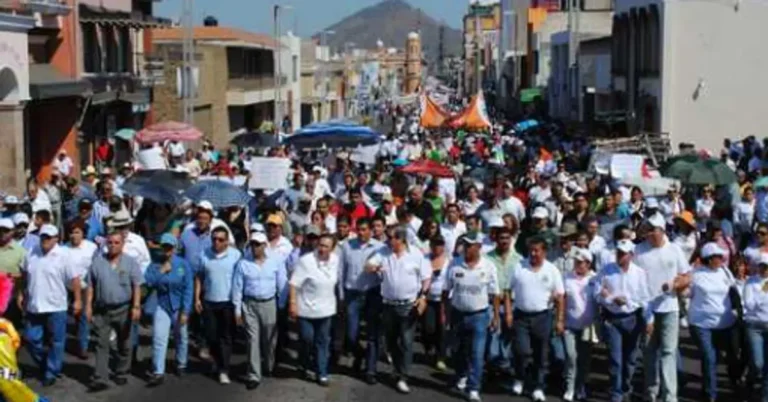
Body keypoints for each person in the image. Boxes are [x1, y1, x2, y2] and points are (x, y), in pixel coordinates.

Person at [633, 213, 691, 402]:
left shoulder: (674, 249)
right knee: (649, 354)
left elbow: (687, 275)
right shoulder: (638, 251)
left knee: (668, 352)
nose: (648, 234)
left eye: (652, 230)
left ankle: (670, 396)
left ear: (661, 231)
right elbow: (633, 280)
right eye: (647, 230)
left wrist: (677, 284)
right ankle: (651, 393)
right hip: (647, 310)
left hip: (670, 308)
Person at [366, 226, 430, 394]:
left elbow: (426, 276)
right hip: (388, 304)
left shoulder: (416, 254)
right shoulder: (384, 252)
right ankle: (397, 368)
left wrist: (423, 296)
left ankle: (404, 377)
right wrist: (373, 268)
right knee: (391, 340)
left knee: (407, 341)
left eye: (391, 237)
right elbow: (369, 265)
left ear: (400, 240)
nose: (388, 240)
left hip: (408, 305)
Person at [19, 224, 80, 386]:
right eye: (43, 237)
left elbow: (75, 279)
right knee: (31, 339)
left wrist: (78, 300)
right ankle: (45, 363)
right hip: (34, 304)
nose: (45, 240)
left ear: (56, 239)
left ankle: (51, 371)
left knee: (56, 341)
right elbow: (24, 275)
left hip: (56, 305)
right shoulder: (31, 252)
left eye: (48, 237)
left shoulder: (64, 254)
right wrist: (21, 293)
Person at [442, 233, 500, 402]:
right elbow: (446, 291)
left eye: (470, 245)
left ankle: (474, 387)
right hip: (458, 314)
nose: (466, 248)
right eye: (465, 245)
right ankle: (461, 375)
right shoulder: (455, 263)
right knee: (458, 350)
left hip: (479, 316)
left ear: (479, 247)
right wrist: (445, 314)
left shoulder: (488, 266)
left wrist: (495, 316)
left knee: (477, 353)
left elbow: (495, 294)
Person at [507, 236, 565, 402]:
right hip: (521, 316)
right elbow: (506, 291)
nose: (533, 253)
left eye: (537, 250)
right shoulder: (519, 267)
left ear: (544, 252)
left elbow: (560, 296)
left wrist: (560, 320)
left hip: (543, 316)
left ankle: (539, 386)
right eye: (531, 250)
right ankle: (519, 378)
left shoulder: (552, 270)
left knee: (541, 354)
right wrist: (510, 313)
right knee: (521, 350)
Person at [86, 231, 144, 392]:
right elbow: (90, 285)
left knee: (124, 343)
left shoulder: (130, 262)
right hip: (102, 309)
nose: (113, 245)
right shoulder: (97, 262)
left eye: (116, 243)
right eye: (110, 242)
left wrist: (136, 306)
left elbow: (137, 285)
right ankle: (100, 377)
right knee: (101, 343)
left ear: (122, 244)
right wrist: (88, 306)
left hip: (124, 308)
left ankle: (121, 371)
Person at [594, 239, 651, 402]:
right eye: (619, 252)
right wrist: (611, 299)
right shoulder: (606, 271)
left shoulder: (639, 273)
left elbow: (645, 298)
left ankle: (626, 387)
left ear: (631, 255)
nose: (620, 255)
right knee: (615, 359)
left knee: (630, 359)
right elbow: (597, 294)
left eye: (624, 253)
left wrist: (648, 320)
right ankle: (616, 393)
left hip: (632, 319)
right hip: (612, 320)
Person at [686, 243, 742, 402]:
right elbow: (686, 293)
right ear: (708, 259)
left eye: (721, 256)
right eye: (717, 257)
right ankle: (711, 395)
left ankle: (734, 383)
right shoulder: (696, 274)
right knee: (709, 357)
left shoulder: (725, 271)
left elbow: (734, 291)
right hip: (701, 324)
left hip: (726, 324)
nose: (721, 260)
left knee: (730, 357)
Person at [232, 230, 286, 389]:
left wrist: (281, 305)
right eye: (252, 244)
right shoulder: (243, 263)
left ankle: (269, 365)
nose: (254, 248)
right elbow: (237, 287)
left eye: (257, 245)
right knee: (252, 340)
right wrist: (237, 310)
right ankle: (254, 374)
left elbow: (282, 283)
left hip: (269, 304)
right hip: (250, 304)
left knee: (269, 339)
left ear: (265, 246)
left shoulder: (275, 261)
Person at [289, 234, 339, 386]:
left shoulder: (335, 260)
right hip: (306, 309)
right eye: (320, 245)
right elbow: (294, 284)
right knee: (307, 339)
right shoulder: (306, 261)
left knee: (322, 342)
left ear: (332, 248)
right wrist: (292, 303)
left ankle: (321, 372)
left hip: (326, 309)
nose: (322, 249)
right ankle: (303, 362)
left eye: (326, 246)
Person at [193, 226, 241, 385]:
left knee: (226, 337)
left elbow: (240, 280)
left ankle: (224, 369)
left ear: (227, 241)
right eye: (214, 239)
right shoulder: (204, 255)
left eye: (221, 239)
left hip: (227, 302)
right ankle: (216, 360)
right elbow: (199, 277)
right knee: (211, 336)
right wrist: (197, 299)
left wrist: (239, 304)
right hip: (209, 301)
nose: (216, 242)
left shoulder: (235, 255)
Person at [338, 218, 384, 383]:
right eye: (359, 229)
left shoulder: (379, 248)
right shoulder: (347, 246)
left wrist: (378, 271)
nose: (361, 233)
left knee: (372, 334)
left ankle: (371, 370)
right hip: (353, 294)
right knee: (351, 334)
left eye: (365, 229)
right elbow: (341, 271)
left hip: (373, 294)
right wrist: (341, 295)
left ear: (371, 230)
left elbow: (385, 273)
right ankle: (360, 354)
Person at [145, 234, 193, 386]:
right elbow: (149, 282)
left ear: (174, 248)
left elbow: (188, 288)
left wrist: (185, 310)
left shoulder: (183, 264)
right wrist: (162, 271)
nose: (167, 250)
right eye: (164, 247)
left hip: (178, 305)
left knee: (181, 335)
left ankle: (181, 363)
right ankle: (158, 371)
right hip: (162, 304)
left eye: (169, 247)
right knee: (159, 337)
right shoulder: (155, 264)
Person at [562, 248, 597, 402]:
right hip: (570, 324)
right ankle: (569, 387)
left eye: (581, 263)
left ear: (588, 264)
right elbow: (561, 299)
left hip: (587, 327)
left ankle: (581, 387)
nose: (578, 265)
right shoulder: (566, 278)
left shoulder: (595, 279)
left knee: (584, 359)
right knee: (571, 356)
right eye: (576, 262)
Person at [485, 227, 521, 376]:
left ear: (511, 239)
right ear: (496, 240)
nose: (504, 241)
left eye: (507, 238)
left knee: (508, 334)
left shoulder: (519, 259)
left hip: (511, 302)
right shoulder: (487, 258)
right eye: (501, 238)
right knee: (493, 332)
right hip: (491, 302)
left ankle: (505, 364)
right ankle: (493, 364)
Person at [63, 219, 98, 360]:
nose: (73, 235)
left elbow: (95, 269)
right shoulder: (63, 249)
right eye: (71, 232)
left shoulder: (91, 248)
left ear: (83, 234)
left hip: (84, 287)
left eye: (77, 232)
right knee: (67, 317)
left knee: (83, 315)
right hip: (67, 288)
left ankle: (83, 346)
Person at [423, 235, 450, 372]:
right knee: (429, 327)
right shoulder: (425, 259)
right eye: (434, 244)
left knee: (443, 328)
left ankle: (441, 357)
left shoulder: (449, 261)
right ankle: (429, 346)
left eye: (440, 245)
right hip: (429, 299)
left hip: (444, 300)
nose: (437, 247)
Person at [743, 254, 768, 402]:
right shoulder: (751, 283)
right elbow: (749, 305)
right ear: (758, 267)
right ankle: (750, 381)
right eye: (763, 266)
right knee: (758, 363)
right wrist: (763, 291)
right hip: (754, 327)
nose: (766, 270)